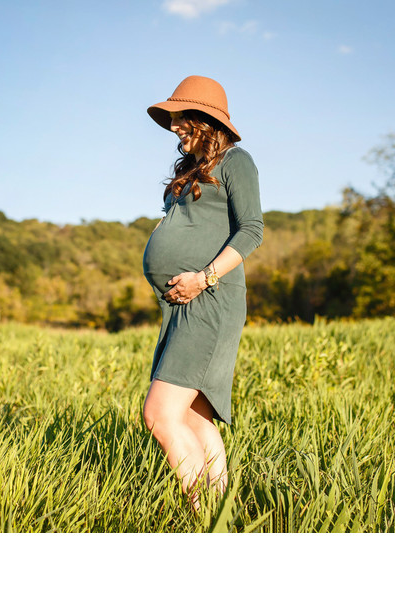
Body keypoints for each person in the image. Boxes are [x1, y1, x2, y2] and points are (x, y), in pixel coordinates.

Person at [142, 75, 264, 507]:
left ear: (204, 119)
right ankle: (218, 513)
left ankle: (202, 510)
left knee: (158, 414)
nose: (174, 126)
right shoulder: (192, 170)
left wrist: (203, 277)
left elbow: (252, 230)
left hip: (210, 299)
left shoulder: (236, 161)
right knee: (195, 415)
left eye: (180, 117)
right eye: (172, 118)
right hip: (181, 306)